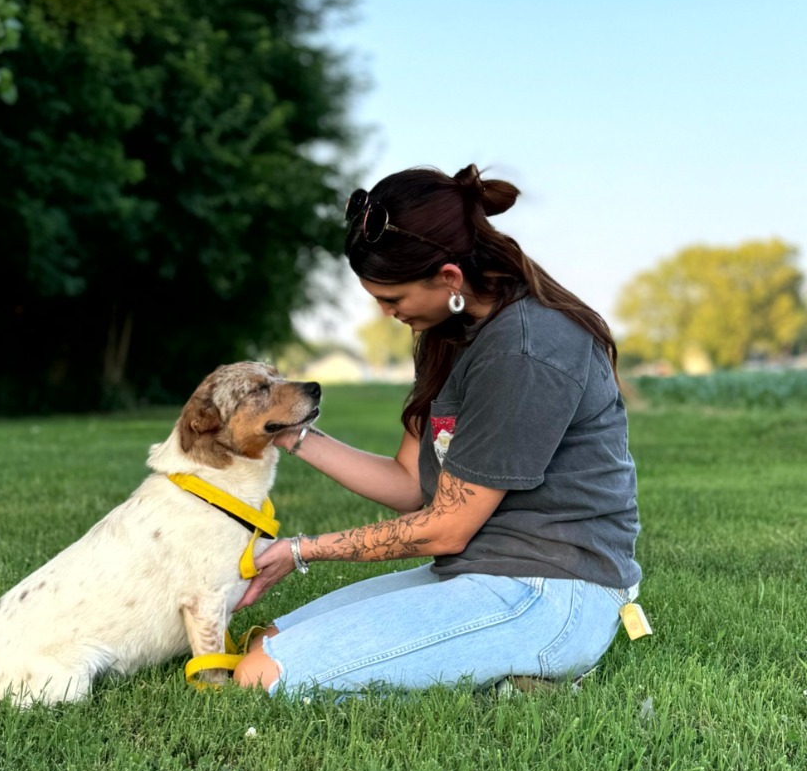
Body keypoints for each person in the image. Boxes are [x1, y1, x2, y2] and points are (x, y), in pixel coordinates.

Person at [232, 164, 641, 696]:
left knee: (263, 678)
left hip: (552, 591)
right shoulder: (453, 333)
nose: (385, 314)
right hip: (479, 573)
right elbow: (410, 482)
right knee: (262, 644)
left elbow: (446, 527)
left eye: (393, 299)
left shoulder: (523, 349)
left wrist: (301, 550)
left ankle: (529, 679)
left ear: (448, 278)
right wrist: (293, 435)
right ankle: (493, 673)